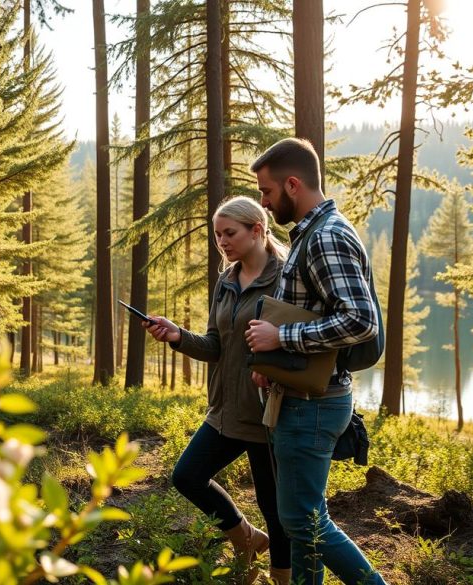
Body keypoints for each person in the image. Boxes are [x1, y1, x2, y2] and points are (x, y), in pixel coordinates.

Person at [245, 137, 387, 585]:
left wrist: (280, 336)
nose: (264, 204)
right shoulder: (311, 233)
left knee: (301, 520)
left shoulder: (327, 236)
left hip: (315, 403)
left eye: (267, 193)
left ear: (292, 184)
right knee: (305, 519)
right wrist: (273, 360)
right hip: (303, 396)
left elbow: (360, 320)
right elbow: (319, 312)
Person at [143, 196, 292, 585]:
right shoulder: (227, 280)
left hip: (268, 412)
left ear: (257, 230)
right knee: (187, 476)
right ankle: (246, 539)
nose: (222, 241)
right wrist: (177, 335)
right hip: (225, 409)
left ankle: (282, 577)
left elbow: (297, 341)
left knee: (274, 508)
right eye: (217, 234)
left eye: (230, 233)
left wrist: (274, 366)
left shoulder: (286, 277)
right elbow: (214, 345)